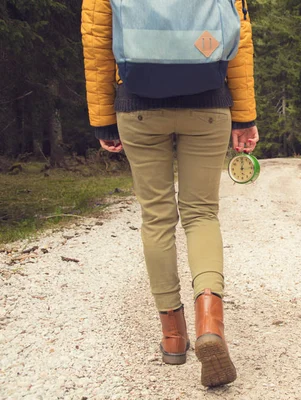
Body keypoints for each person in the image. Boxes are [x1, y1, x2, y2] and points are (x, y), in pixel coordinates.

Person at [81, 0, 259, 387]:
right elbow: (240, 39)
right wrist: (244, 116)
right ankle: (210, 323)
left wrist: (103, 120)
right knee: (201, 214)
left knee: (157, 216)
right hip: (209, 102)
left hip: (138, 106)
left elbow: (96, 46)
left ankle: (173, 338)